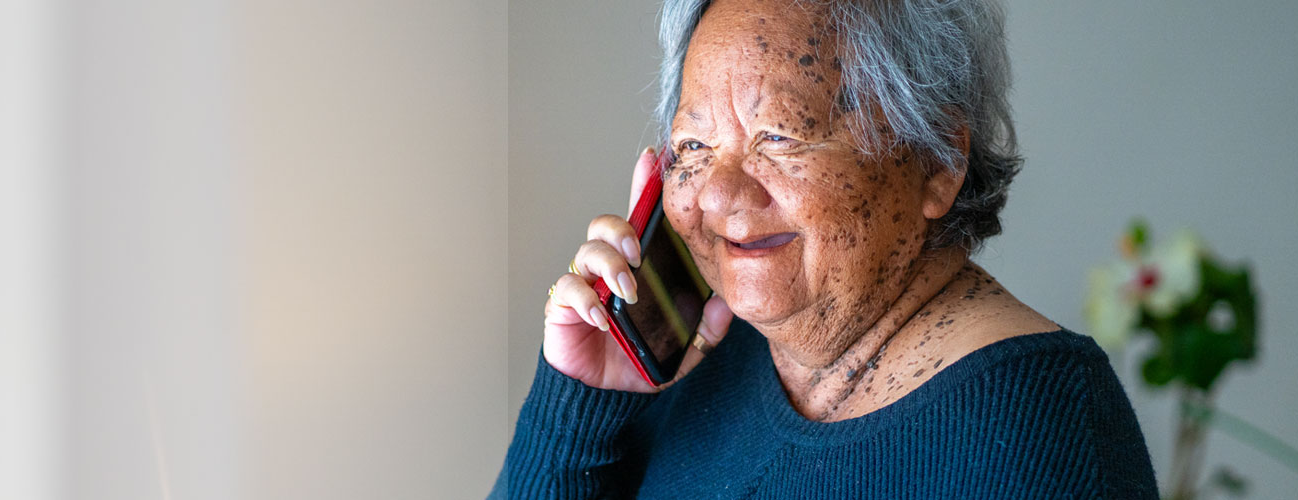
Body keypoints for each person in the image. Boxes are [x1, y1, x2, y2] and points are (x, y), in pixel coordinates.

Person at [491, 0, 1159, 498]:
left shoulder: (1036, 426)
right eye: (693, 148)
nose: (720, 196)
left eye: (779, 137)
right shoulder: (698, 363)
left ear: (936, 160)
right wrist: (578, 406)